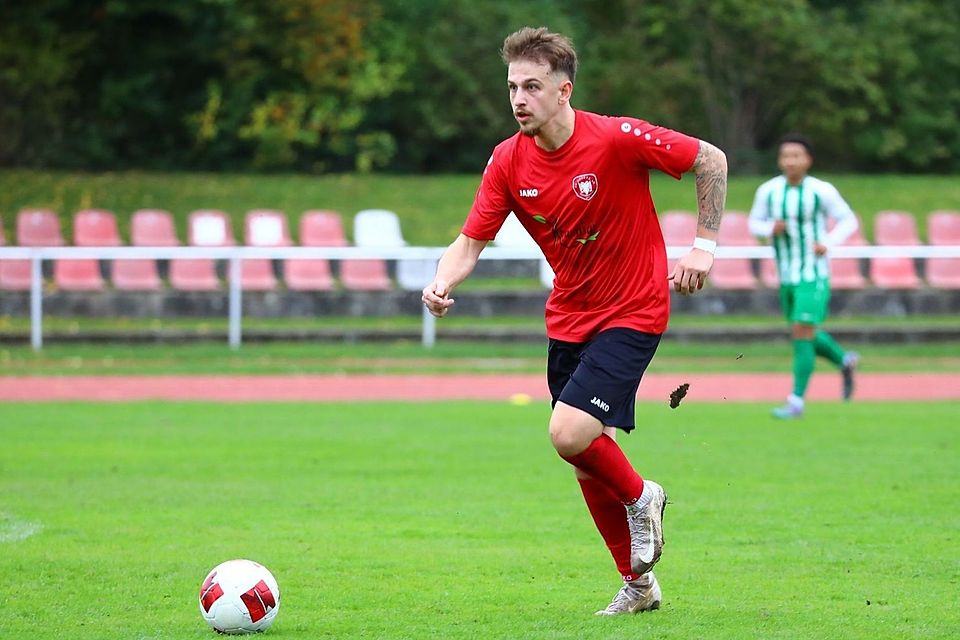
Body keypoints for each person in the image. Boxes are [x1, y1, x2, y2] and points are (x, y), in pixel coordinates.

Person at [421, 27, 728, 615]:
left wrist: (703, 248)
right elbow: (469, 241)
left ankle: (646, 498)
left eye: (531, 86)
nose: (518, 99)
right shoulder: (508, 160)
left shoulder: (614, 138)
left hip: (633, 309)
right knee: (590, 457)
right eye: (512, 86)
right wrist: (441, 281)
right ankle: (638, 585)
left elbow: (710, 159)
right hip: (569, 318)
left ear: (564, 90)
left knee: (569, 434)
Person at [748, 134, 860, 420]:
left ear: (808, 160)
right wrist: (769, 229)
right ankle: (844, 360)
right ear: (779, 160)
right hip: (786, 275)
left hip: (813, 273)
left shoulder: (821, 191)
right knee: (804, 333)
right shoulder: (769, 191)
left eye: (797, 155)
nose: (791, 161)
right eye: (786, 155)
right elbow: (754, 222)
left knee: (801, 330)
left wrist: (829, 243)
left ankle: (796, 401)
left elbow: (848, 219)